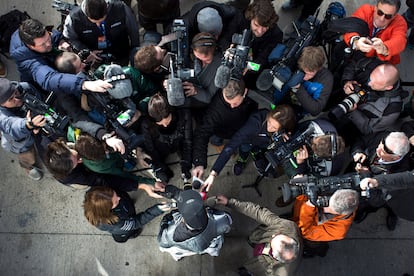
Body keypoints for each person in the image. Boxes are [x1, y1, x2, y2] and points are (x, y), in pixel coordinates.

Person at [202, 105, 296, 192]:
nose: (269, 127)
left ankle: (256, 154)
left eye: (274, 127)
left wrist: (283, 134)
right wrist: (213, 173)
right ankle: (242, 160)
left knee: (259, 150)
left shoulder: (284, 129)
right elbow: (231, 146)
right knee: (244, 149)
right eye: (269, 122)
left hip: (263, 144)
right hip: (248, 141)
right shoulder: (255, 122)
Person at [9, 18, 111, 95]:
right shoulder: (28, 61)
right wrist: (84, 84)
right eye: (43, 45)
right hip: (38, 83)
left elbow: (54, 34)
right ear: (30, 46)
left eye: (48, 39)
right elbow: (49, 79)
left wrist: (61, 41)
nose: (48, 44)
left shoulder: (39, 35)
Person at [44, 138, 164, 197]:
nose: (80, 160)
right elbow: (110, 180)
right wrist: (145, 184)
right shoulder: (81, 175)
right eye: (77, 162)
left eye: (77, 156)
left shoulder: (51, 141)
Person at [214, 195, 301, 275]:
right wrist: (230, 203)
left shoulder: (281, 273)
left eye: (272, 243)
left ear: (274, 255)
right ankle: (251, 241)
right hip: (256, 239)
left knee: (249, 270)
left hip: (259, 265)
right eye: (276, 235)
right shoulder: (287, 226)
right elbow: (259, 212)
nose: (273, 236)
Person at [191, 79, 258, 179]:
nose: (232, 106)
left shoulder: (253, 95)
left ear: (245, 92)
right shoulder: (215, 110)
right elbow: (202, 133)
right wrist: (199, 163)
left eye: (235, 103)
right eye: (228, 102)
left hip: (244, 129)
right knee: (217, 141)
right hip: (221, 132)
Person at [335, 57, 407, 141]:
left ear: (388, 87)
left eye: (375, 83)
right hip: (338, 99)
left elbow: (369, 130)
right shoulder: (371, 64)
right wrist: (347, 81)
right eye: (370, 78)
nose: (369, 83)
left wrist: (353, 112)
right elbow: (352, 65)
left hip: (351, 126)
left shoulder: (393, 108)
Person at [351, 131, 411, 230]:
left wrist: (365, 174)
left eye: (382, 151)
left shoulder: (400, 175)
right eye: (380, 144)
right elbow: (361, 140)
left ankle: (390, 212)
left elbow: (377, 199)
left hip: (383, 194)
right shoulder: (385, 139)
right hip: (361, 177)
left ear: (396, 157)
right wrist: (357, 152)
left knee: (380, 205)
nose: (377, 149)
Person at [158, 188, 232, 261]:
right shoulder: (221, 222)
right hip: (205, 244)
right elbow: (227, 221)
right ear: (206, 212)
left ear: (183, 219)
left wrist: (165, 219)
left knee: (175, 251)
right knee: (214, 246)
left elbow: (161, 242)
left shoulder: (170, 233)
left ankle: (178, 257)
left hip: (183, 248)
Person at [63, 0, 140, 66]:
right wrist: (86, 51)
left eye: (101, 21)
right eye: (94, 22)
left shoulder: (121, 8)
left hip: (121, 55)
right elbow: (71, 39)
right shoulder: (73, 19)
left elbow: (134, 31)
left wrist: (134, 52)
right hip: (94, 58)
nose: (98, 25)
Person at [84, 186, 169, 243]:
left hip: (126, 208)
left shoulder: (96, 194)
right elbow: (136, 222)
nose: (119, 198)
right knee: (127, 233)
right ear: (107, 209)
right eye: (116, 201)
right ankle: (131, 234)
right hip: (123, 228)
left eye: (115, 194)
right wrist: (156, 210)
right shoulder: (115, 223)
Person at [139, 93, 192, 183]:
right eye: (161, 123)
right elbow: (151, 148)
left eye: (167, 121)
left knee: (189, 163)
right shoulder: (146, 124)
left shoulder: (183, 114)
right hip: (160, 148)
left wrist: (185, 165)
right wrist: (159, 166)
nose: (165, 125)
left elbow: (188, 141)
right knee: (162, 176)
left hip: (179, 142)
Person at [0, 79, 46, 180]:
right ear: (2, 105)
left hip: (36, 124)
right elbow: (11, 126)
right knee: (28, 155)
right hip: (20, 139)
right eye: (11, 99)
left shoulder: (24, 87)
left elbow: (39, 98)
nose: (17, 98)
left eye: (15, 92)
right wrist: (28, 125)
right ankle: (27, 166)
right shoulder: (1, 116)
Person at [292, 189, 359, 257]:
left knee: (312, 244)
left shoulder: (339, 230)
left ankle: (314, 250)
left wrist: (309, 206)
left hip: (307, 226)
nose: (325, 207)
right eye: (328, 202)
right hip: (300, 209)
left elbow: (306, 232)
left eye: (331, 209)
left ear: (343, 213)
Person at [343, 0, 407, 64]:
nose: (381, 19)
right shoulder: (365, 10)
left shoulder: (399, 22)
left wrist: (385, 48)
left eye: (388, 16)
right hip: (357, 53)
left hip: (381, 60)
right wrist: (356, 42)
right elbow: (351, 26)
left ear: (394, 16)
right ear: (375, 8)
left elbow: (400, 40)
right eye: (380, 12)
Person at [284, 46, 334, 118]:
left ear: (318, 68)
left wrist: (298, 88)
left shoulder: (326, 79)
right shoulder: (296, 64)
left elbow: (316, 110)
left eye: (309, 74)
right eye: (303, 72)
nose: (304, 77)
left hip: (302, 112)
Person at [181, 1, 248, 51]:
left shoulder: (232, 14)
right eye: (213, 35)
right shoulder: (185, 26)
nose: (216, 38)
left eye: (217, 34)